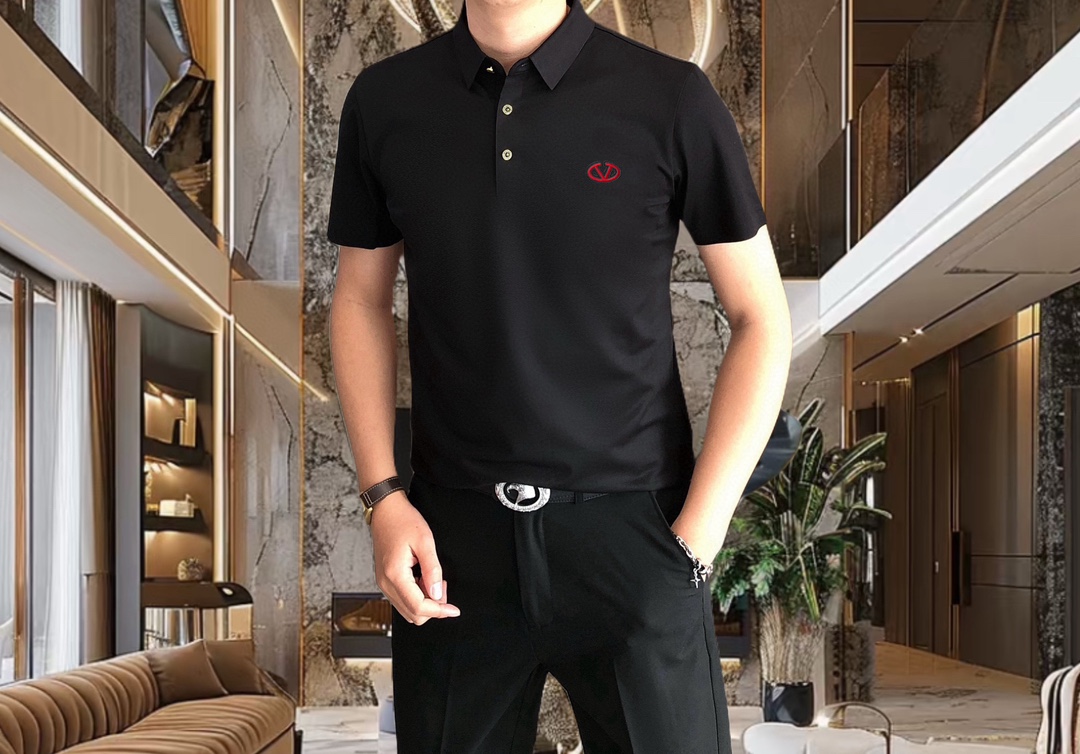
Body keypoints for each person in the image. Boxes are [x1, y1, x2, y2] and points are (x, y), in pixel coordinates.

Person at [326, 0, 792, 749]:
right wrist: (384, 498)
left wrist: (695, 542)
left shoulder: (670, 96)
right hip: (453, 544)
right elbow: (359, 301)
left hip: (634, 534)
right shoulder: (385, 101)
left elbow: (760, 317)